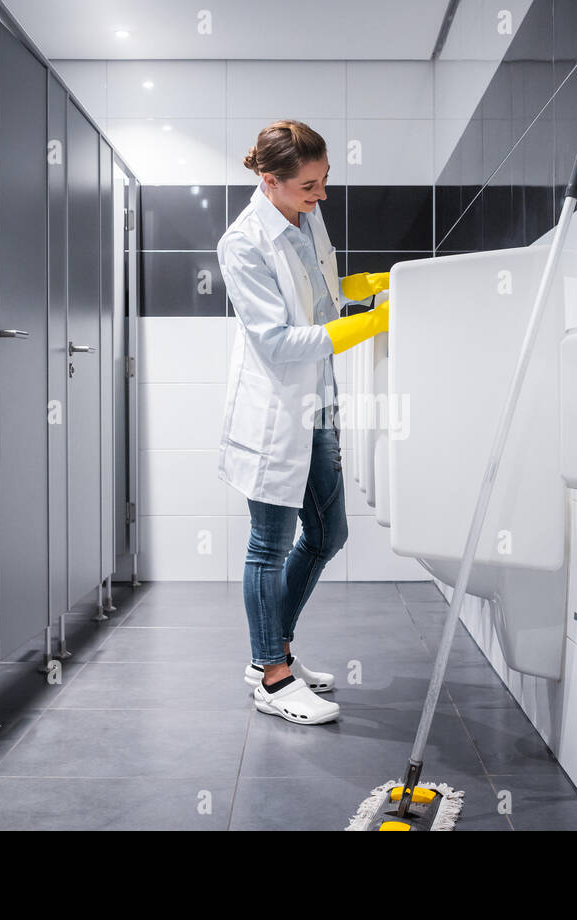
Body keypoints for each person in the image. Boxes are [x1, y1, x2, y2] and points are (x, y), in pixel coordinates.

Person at [217, 119, 391, 725]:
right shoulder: (242, 243)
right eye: (309, 185)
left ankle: (276, 650)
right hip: (274, 411)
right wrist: (365, 325)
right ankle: (272, 675)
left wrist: (363, 289)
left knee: (327, 535)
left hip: (316, 404)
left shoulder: (304, 218)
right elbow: (277, 340)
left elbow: (315, 301)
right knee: (268, 545)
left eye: (323, 182)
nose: (321, 196)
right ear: (271, 180)